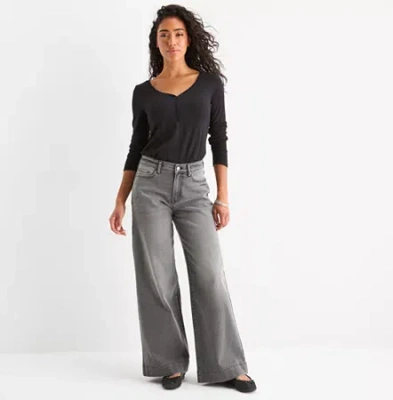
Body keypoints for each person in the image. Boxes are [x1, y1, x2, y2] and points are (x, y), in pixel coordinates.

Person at [109, 4, 257, 393]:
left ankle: (226, 365)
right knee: (157, 277)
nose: (171, 41)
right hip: (150, 185)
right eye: (164, 34)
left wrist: (223, 197)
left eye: (178, 33)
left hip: (194, 187)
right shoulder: (144, 92)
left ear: (188, 39)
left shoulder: (209, 84)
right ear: (156, 42)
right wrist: (120, 199)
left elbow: (219, 138)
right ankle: (168, 363)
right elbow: (136, 146)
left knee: (209, 275)